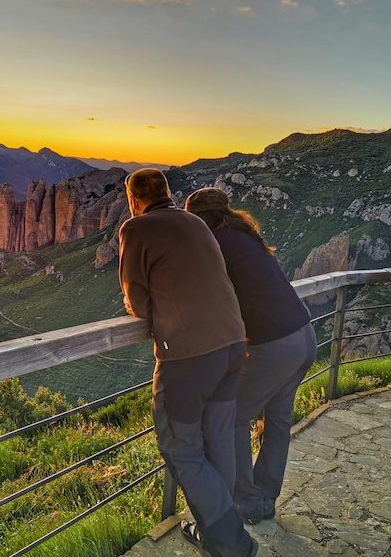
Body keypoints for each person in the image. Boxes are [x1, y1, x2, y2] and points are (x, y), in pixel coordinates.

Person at [118, 169, 257, 557]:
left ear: (133, 200)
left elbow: (137, 301)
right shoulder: (195, 222)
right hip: (232, 344)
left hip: (190, 356)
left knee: (179, 446)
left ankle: (230, 541)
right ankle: (217, 530)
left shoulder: (135, 229)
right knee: (218, 438)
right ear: (168, 193)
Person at [185, 187, 316, 525]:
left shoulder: (214, 245)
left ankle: (247, 502)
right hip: (304, 334)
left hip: (274, 347)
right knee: (278, 420)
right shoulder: (245, 235)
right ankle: (264, 498)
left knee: (231, 418)